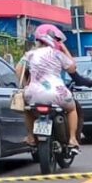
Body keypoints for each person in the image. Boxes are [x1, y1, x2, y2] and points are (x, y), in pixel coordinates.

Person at [15, 23, 80, 152]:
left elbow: (18, 69)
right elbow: (72, 67)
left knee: (28, 110)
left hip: (33, 93)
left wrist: (25, 86)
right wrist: (64, 49)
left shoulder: (30, 54)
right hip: (57, 93)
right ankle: (72, 139)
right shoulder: (57, 54)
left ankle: (30, 137)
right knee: (72, 109)